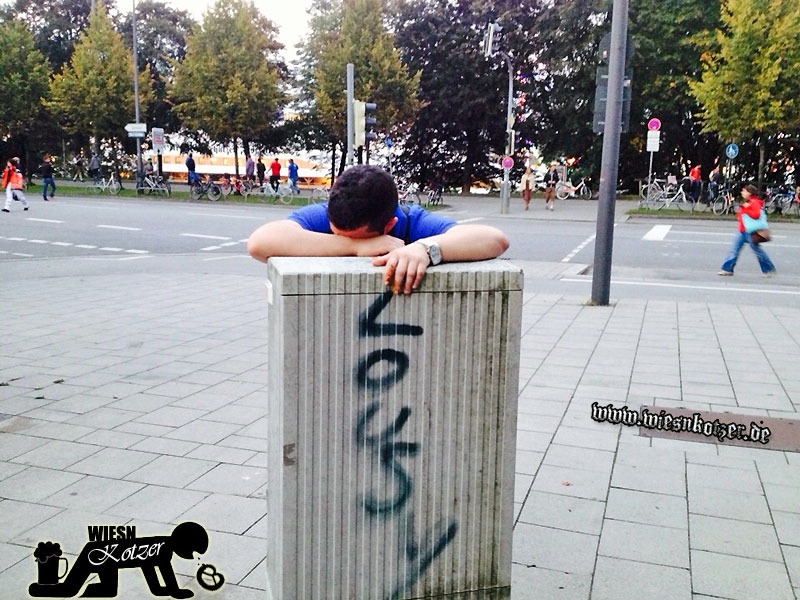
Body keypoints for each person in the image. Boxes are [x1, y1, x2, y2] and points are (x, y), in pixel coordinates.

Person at [247, 165, 509, 295]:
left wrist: (425, 249)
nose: (338, 238)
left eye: (355, 236)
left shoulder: (409, 221)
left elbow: (495, 239)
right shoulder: (331, 213)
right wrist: (355, 246)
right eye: (335, 233)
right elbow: (259, 243)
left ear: (389, 226)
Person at [719, 184, 776, 278]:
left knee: (757, 251)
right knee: (734, 250)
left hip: (750, 231)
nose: (742, 192)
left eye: (744, 191)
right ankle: (727, 269)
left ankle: (768, 269)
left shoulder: (754, 202)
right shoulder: (748, 202)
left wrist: (746, 209)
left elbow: (756, 215)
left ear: (749, 193)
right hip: (742, 230)